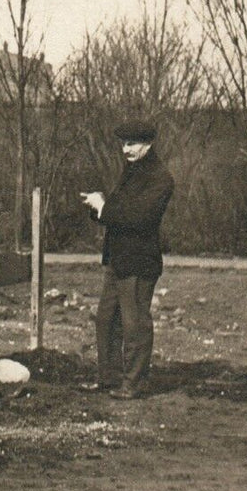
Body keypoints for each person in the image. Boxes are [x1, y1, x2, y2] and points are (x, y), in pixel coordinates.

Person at [78, 120, 174, 399]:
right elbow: (119, 212)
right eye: (123, 144)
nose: (125, 150)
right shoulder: (133, 171)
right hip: (118, 259)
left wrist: (103, 206)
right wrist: (97, 207)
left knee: (134, 325)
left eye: (131, 144)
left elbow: (138, 218)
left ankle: (134, 383)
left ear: (148, 144)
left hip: (138, 262)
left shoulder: (160, 178)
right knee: (105, 320)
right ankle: (108, 378)